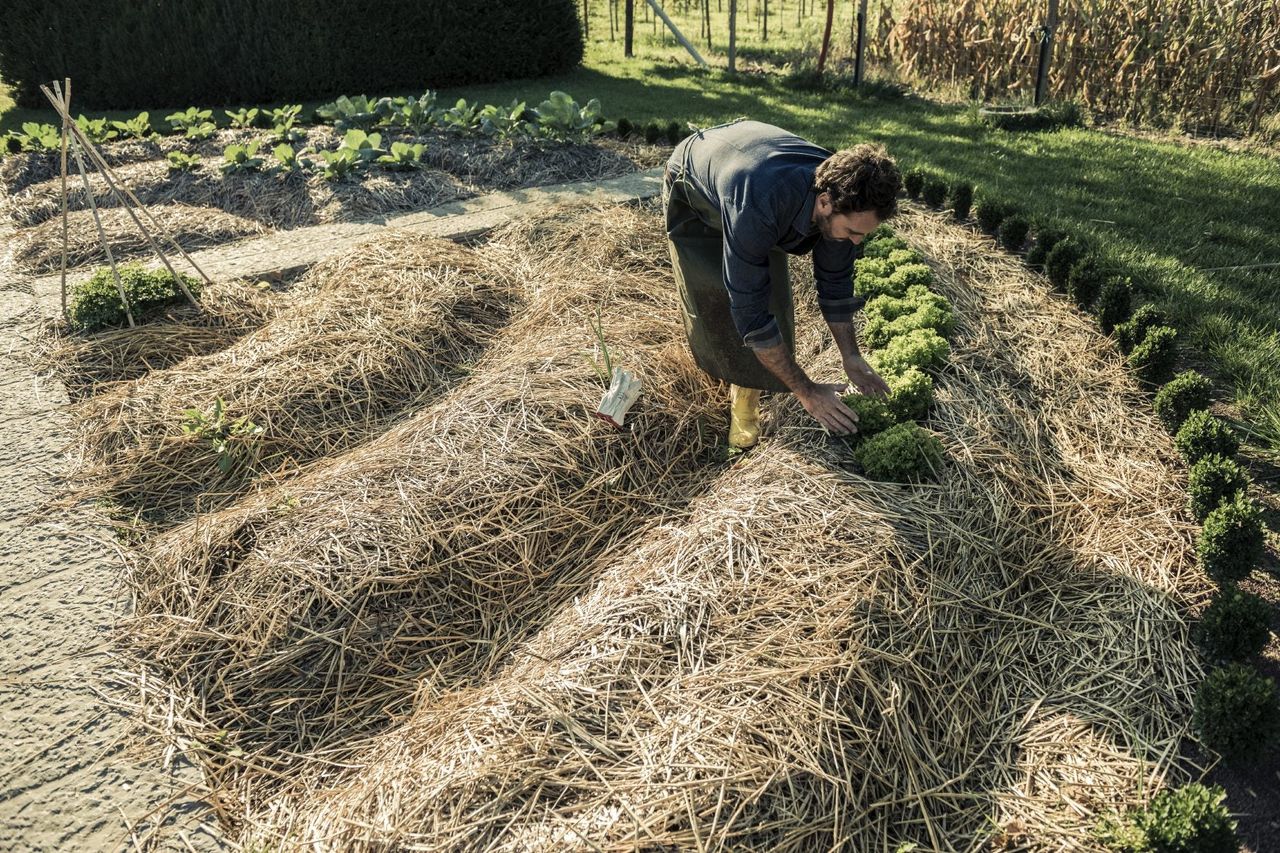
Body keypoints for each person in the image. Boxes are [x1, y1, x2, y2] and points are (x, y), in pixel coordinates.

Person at [663, 119, 901, 448]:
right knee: (718, 294)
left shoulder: (842, 193)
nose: (857, 242)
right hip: (694, 184)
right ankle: (739, 391)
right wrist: (808, 391)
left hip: (751, 168)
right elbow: (751, 312)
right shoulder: (758, 203)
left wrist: (852, 356)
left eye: (863, 233)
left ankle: (750, 382)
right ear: (825, 203)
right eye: (853, 231)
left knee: (772, 292)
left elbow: (835, 283)